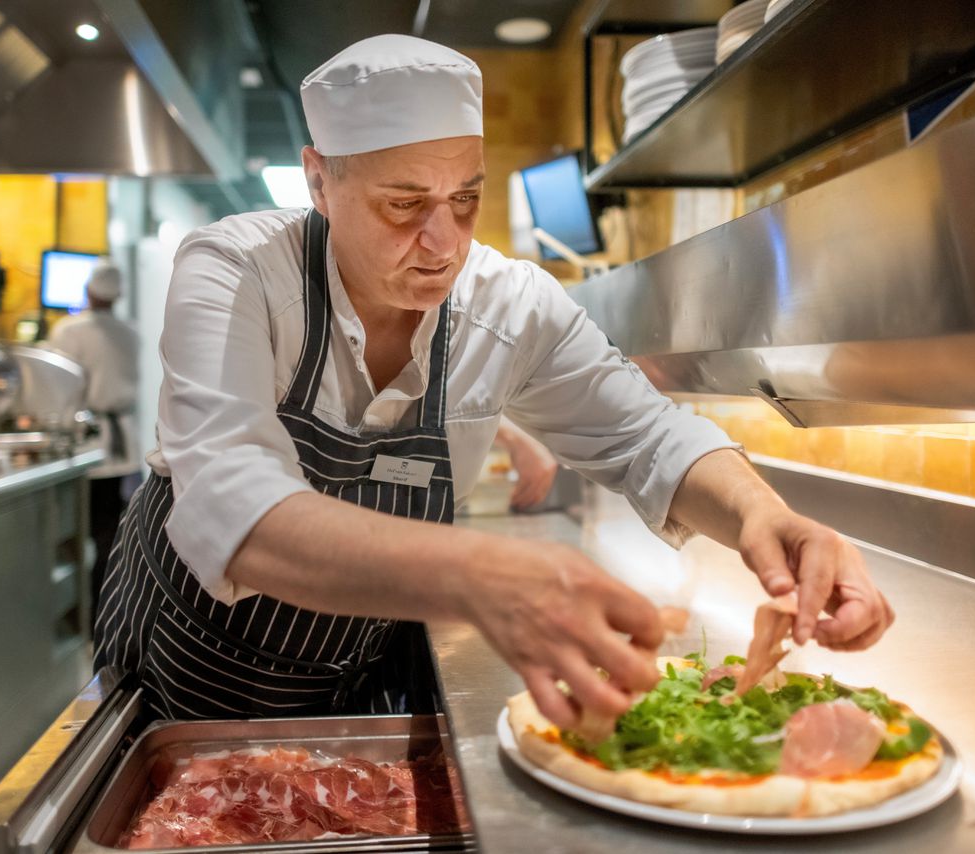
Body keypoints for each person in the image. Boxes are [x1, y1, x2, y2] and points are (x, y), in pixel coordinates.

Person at [95, 35, 893, 725]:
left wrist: (767, 515)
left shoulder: (506, 304)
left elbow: (649, 436)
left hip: (353, 681)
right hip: (186, 681)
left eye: (466, 199)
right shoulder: (235, 273)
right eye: (404, 204)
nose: (442, 242)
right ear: (319, 181)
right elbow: (236, 504)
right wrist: (482, 577)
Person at [48, 260, 140, 620]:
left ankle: (79, 618)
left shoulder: (69, 331)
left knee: (79, 535)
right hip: (122, 444)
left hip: (87, 445)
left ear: (88, 291)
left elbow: (58, 389)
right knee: (111, 535)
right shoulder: (131, 333)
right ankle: (106, 614)